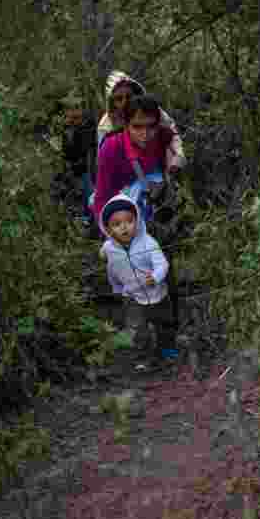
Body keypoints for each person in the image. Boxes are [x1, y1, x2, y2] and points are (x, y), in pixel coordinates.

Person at [99, 193, 178, 361]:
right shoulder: (109, 247)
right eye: (117, 224)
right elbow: (107, 258)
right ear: (108, 229)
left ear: (137, 220)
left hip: (157, 292)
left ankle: (167, 350)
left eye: (129, 221)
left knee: (164, 323)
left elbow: (162, 264)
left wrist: (156, 277)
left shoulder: (148, 242)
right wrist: (117, 288)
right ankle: (142, 356)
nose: (124, 227)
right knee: (137, 327)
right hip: (132, 295)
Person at [92, 93, 178, 231]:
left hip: (152, 193)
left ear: (158, 124)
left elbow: (174, 140)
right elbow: (103, 194)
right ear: (126, 125)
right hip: (122, 200)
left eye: (151, 126)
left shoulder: (162, 136)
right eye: (137, 126)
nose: (145, 133)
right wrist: (108, 231)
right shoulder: (111, 147)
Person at [98, 70, 186, 174]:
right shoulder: (106, 125)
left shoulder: (151, 110)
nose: (125, 102)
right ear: (112, 102)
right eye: (119, 98)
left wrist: (178, 155)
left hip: (159, 165)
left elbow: (171, 132)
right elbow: (104, 160)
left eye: (129, 96)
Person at [58, 93, 94, 221]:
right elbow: (66, 149)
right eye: (69, 108)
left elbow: (85, 146)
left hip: (85, 166)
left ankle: (90, 216)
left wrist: (74, 129)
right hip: (73, 167)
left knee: (88, 190)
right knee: (79, 190)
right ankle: (85, 214)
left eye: (75, 107)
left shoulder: (87, 124)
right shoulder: (67, 127)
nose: (72, 111)